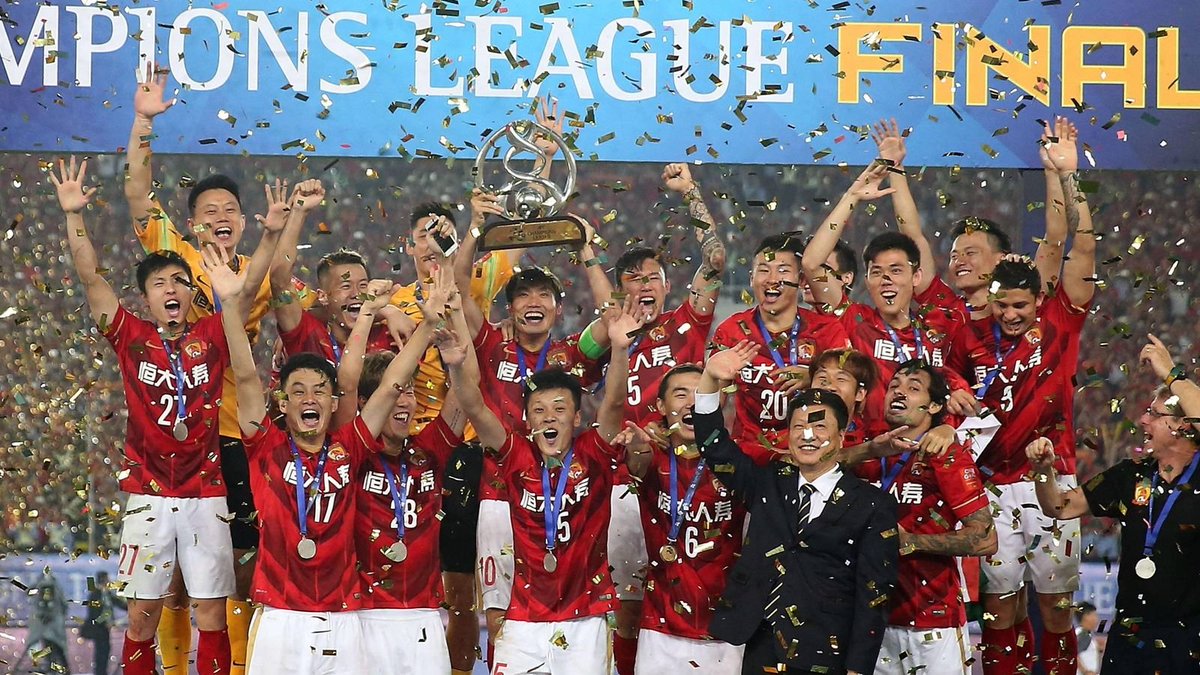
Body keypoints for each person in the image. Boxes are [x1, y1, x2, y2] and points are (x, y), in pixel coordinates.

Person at [56, 157, 282, 675]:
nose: (172, 290)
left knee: (212, 614)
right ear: (147, 297)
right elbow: (89, 276)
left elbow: (245, 294)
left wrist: (269, 237)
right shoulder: (130, 337)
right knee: (141, 618)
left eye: (180, 281)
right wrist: (73, 216)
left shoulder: (213, 335)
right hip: (147, 495)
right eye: (160, 284)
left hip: (207, 494)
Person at [124, 63, 310, 673]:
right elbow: (137, 195)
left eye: (231, 208)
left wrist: (285, 229)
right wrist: (143, 122)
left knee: (232, 571)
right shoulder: (174, 257)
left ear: (243, 219)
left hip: (232, 434)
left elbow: (261, 292)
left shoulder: (256, 270)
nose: (222, 215)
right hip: (174, 440)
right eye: (209, 209)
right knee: (171, 582)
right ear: (192, 222)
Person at [217, 243, 450, 674]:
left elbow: (392, 385)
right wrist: (231, 307)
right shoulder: (265, 447)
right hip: (280, 616)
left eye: (320, 391)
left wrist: (428, 326)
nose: (310, 399)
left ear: (333, 402)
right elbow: (245, 374)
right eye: (299, 392)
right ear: (283, 403)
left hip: (343, 619)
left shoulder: (352, 446)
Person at [444, 295, 644, 674]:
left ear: (577, 417)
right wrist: (456, 367)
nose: (549, 417)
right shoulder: (516, 455)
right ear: (527, 420)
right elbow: (475, 408)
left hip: (585, 618)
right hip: (523, 620)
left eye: (559, 409)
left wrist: (620, 350)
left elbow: (615, 404)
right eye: (539, 410)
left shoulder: (594, 453)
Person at [974, 120, 1097, 675]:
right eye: (1002, 304)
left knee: (1054, 609)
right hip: (992, 485)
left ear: (1038, 297)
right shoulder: (973, 337)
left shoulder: (1061, 320)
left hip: (1054, 481)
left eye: (1020, 305)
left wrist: (1065, 175)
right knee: (999, 610)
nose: (1010, 314)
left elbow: (1074, 243)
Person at [693, 341, 899, 674]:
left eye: (819, 427)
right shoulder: (768, 483)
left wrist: (858, 668)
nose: (808, 436)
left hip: (826, 654)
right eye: (799, 427)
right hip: (761, 648)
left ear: (842, 435)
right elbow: (715, 448)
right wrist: (709, 381)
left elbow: (873, 596)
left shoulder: (872, 505)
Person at [594, 161, 726, 674]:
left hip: (689, 479)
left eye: (654, 277)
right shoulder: (604, 338)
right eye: (634, 279)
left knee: (696, 591)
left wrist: (690, 193)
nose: (645, 285)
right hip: (627, 484)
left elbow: (715, 260)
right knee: (628, 607)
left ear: (669, 286)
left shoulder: (686, 323)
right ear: (620, 290)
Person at [1028, 334, 1200, 674]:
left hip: (1189, 637)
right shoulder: (1129, 475)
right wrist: (1043, 472)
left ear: (1183, 426)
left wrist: (1171, 373)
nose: (1143, 421)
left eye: (1155, 414)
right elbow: (1059, 507)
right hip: (1129, 634)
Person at [802, 122, 987, 437]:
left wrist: (896, 168)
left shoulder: (941, 320)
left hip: (930, 453)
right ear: (867, 281)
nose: (886, 279)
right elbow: (811, 263)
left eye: (896, 270)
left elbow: (913, 234)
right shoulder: (854, 320)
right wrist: (853, 195)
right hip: (870, 454)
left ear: (917, 276)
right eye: (877, 272)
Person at [844, 360, 997, 674]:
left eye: (913, 388)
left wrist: (912, 542)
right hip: (871, 621)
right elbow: (817, 464)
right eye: (894, 386)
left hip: (933, 620)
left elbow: (986, 539)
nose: (899, 392)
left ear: (935, 406)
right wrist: (869, 450)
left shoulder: (946, 455)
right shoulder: (871, 447)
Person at [352, 346, 468, 675]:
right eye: (394, 393)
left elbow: (465, 393)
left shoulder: (429, 451)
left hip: (425, 617)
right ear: (366, 402)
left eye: (410, 392)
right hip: (365, 615)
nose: (404, 402)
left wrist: (456, 363)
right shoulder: (351, 454)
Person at [629, 363, 747, 673]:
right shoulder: (652, 455)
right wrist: (638, 446)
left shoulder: (739, 460)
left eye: (701, 394)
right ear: (660, 406)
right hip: (660, 626)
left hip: (724, 628)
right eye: (681, 394)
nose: (692, 403)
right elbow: (634, 460)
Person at [709, 232, 850, 459]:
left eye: (783, 270)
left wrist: (814, 377)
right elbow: (712, 403)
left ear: (801, 280)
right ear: (751, 278)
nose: (772, 279)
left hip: (810, 455)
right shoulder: (732, 331)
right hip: (750, 458)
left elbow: (848, 398)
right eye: (764, 270)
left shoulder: (827, 330)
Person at [83, 571, 126, 675]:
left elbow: (120, 604)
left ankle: (103, 672)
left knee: (105, 651)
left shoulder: (107, 594)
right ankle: (100, 673)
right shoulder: (95, 595)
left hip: (105, 629)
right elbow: (94, 614)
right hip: (98, 629)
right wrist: (105, 622)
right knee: (100, 653)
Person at [1075, 602, 1101, 675]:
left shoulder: (1086, 634)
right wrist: (1085, 671)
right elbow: (1072, 654)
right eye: (1094, 615)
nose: (1096, 619)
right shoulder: (1083, 634)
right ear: (1085, 617)